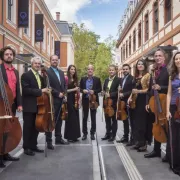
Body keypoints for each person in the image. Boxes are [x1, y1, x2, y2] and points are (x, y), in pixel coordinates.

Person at [144, 48, 169, 161]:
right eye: (156, 56)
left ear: (164, 58)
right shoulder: (153, 72)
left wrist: (161, 87)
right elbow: (149, 89)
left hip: (164, 103)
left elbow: (170, 87)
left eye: (160, 55)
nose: (157, 57)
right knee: (157, 124)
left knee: (167, 127)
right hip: (154, 103)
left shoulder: (168, 70)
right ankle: (156, 150)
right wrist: (147, 102)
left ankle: (169, 153)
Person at [21, 57, 49, 156]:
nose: (37, 65)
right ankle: (26, 147)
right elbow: (26, 90)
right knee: (28, 127)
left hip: (39, 105)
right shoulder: (25, 75)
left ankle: (33, 145)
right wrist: (41, 91)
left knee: (36, 127)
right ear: (32, 64)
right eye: (35, 63)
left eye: (39, 64)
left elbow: (45, 89)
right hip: (29, 106)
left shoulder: (41, 77)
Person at [0, 46, 22, 168]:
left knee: (8, 129)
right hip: (1, 104)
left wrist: (19, 103)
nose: (9, 56)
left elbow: (17, 89)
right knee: (0, 130)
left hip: (12, 104)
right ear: (2, 57)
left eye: (11, 54)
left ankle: (6, 152)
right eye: (6, 54)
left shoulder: (16, 71)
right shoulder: (0, 69)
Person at [45, 55, 69, 148]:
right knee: (51, 120)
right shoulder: (47, 72)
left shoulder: (61, 72)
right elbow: (48, 86)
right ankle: (49, 141)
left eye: (56, 60)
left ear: (58, 61)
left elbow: (64, 84)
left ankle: (58, 138)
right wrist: (57, 93)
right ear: (50, 61)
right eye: (53, 60)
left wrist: (64, 93)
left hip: (61, 99)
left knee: (59, 120)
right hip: (52, 99)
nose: (55, 61)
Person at [127, 60, 150, 152]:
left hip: (143, 101)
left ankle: (143, 144)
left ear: (145, 65)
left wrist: (138, 92)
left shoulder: (147, 76)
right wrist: (129, 97)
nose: (140, 66)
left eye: (141, 64)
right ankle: (138, 142)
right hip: (134, 101)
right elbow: (133, 89)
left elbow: (148, 89)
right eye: (138, 64)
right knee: (135, 123)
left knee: (142, 123)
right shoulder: (135, 77)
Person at [166, 50, 180, 175]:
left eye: (179, 58)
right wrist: (167, 111)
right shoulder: (172, 75)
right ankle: (175, 164)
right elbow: (169, 94)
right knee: (175, 137)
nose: (178, 60)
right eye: (176, 59)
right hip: (174, 108)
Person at [80, 64, 102, 140]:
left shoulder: (97, 79)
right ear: (87, 70)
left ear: (93, 70)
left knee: (93, 118)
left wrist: (94, 91)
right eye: (88, 69)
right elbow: (80, 89)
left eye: (91, 69)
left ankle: (92, 133)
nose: (90, 70)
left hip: (93, 100)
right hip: (85, 100)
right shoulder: (83, 79)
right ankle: (85, 134)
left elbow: (100, 89)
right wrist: (83, 90)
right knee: (84, 118)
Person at [116, 64, 134, 145]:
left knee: (131, 121)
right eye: (123, 69)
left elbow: (133, 90)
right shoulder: (122, 79)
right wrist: (119, 90)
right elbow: (121, 90)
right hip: (122, 102)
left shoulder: (132, 78)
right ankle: (125, 136)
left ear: (129, 69)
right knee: (124, 120)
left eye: (126, 69)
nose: (125, 70)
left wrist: (124, 94)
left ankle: (132, 138)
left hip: (129, 102)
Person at [101, 65, 120, 141]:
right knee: (107, 119)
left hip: (113, 103)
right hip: (106, 102)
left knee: (113, 120)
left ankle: (113, 135)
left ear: (115, 71)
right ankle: (107, 133)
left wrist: (111, 94)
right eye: (110, 70)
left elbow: (118, 91)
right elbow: (104, 90)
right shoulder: (106, 80)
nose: (111, 71)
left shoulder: (118, 80)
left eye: (112, 70)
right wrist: (103, 92)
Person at [64, 65, 81, 142]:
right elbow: (65, 91)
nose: (73, 71)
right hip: (69, 99)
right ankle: (69, 136)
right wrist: (74, 89)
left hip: (75, 99)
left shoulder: (75, 79)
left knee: (76, 117)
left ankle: (75, 136)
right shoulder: (66, 78)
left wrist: (79, 100)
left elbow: (77, 91)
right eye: (71, 69)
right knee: (71, 118)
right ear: (69, 70)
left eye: (74, 69)